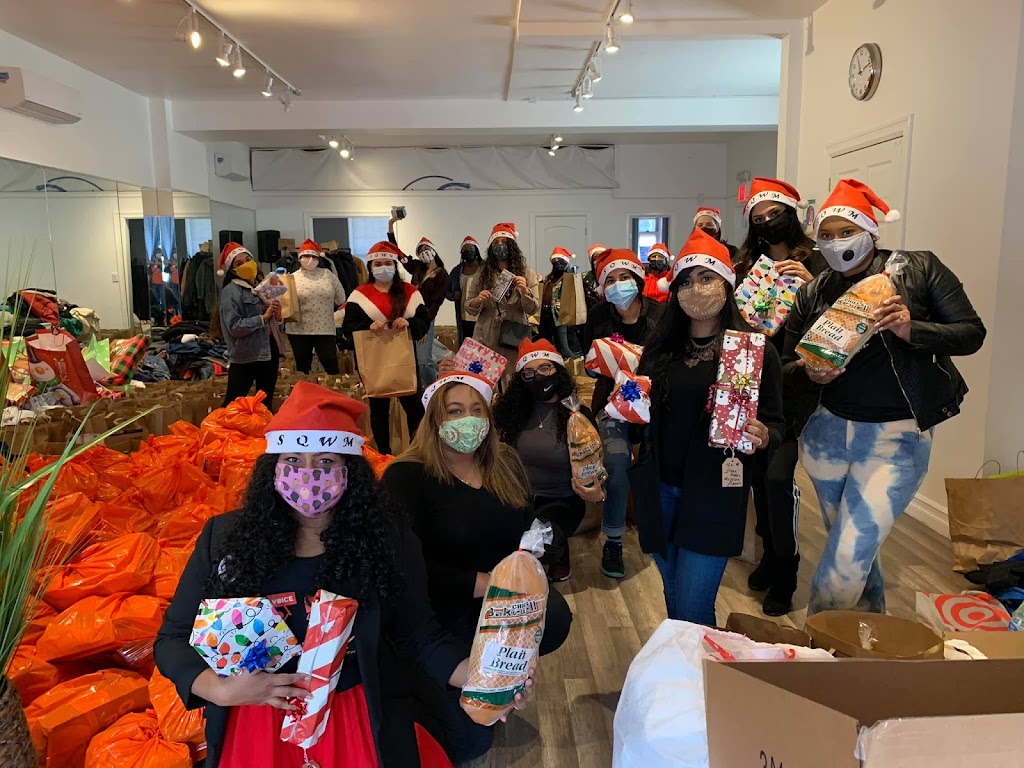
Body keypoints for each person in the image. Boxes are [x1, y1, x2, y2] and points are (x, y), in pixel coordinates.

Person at [154, 382, 481, 768]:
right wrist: (217, 689)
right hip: (254, 723)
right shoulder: (225, 538)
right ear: (272, 467)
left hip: (356, 717)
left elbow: (419, 634)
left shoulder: (386, 536)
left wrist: (484, 677)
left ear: (350, 470)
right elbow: (173, 639)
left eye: (326, 461)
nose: (308, 474)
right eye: (293, 459)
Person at [785, 179, 985, 615]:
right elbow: (786, 362)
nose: (836, 242)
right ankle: (866, 634)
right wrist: (809, 372)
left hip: (896, 437)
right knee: (854, 548)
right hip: (825, 433)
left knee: (846, 556)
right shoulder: (814, 290)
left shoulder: (919, 268)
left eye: (846, 231)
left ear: (870, 231)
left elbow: (971, 333)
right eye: (826, 235)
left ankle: (814, 646)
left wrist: (913, 330)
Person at [383, 370, 573, 763]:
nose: (467, 420)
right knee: (469, 742)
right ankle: (430, 691)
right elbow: (405, 567)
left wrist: (544, 541)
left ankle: (498, 675)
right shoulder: (407, 475)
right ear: (435, 420)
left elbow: (525, 528)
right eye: (454, 411)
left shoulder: (505, 463)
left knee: (555, 616)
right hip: (438, 607)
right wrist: (484, 583)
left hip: (497, 604)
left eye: (476, 410)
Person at [633, 228, 784, 625]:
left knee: (694, 605)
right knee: (672, 595)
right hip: (660, 487)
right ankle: (683, 663)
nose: (695, 288)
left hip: (716, 492)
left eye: (706, 277)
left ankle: (700, 666)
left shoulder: (752, 351)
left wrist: (764, 435)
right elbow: (639, 414)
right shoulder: (660, 349)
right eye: (685, 281)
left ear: (727, 284)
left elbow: (776, 421)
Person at [735, 178, 830, 616]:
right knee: (757, 478)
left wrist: (813, 287)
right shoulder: (745, 267)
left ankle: (788, 565)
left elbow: (842, 322)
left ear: (792, 214)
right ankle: (770, 554)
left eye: (775, 214)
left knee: (777, 478)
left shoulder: (820, 263)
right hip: (750, 381)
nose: (769, 222)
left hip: (795, 389)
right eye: (759, 218)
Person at [581, 248, 665, 579]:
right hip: (611, 404)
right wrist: (602, 362)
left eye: (625, 277)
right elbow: (589, 364)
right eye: (611, 280)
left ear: (638, 279)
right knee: (616, 463)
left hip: (656, 403)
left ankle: (659, 528)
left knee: (658, 463)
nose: (619, 285)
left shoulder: (661, 315)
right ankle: (613, 540)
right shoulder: (599, 316)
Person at [493, 338, 605, 582]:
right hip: (519, 496)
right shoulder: (512, 412)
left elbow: (595, 460)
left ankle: (558, 551)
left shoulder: (576, 414)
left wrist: (598, 493)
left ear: (558, 370)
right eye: (529, 373)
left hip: (562, 499)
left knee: (541, 543)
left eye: (545, 368)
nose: (539, 377)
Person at [342, 240, 430, 456]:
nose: (383, 268)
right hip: (373, 359)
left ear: (395, 265)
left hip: (404, 358)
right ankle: (384, 454)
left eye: (388, 263)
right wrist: (367, 326)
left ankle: (417, 450)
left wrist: (409, 323)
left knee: (414, 407)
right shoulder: (359, 295)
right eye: (378, 264)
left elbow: (423, 320)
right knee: (379, 410)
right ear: (370, 267)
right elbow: (348, 327)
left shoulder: (410, 293)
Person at [464, 223, 540, 387]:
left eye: (504, 242)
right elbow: (469, 305)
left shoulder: (527, 273)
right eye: (496, 243)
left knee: (513, 379)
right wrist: (479, 299)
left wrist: (525, 291)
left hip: (515, 332)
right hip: (487, 332)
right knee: (484, 380)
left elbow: (533, 308)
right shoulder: (482, 272)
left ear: (511, 245)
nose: (500, 246)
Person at [217, 242, 281, 410]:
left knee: (265, 404)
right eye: (239, 263)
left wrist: (277, 315)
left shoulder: (262, 286)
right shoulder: (231, 291)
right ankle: (221, 428)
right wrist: (262, 318)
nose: (246, 264)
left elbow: (273, 321)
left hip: (269, 350)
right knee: (233, 404)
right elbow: (234, 327)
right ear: (232, 270)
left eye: (248, 259)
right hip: (246, 354)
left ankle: (262, 427)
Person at [286, 239, 347, 376]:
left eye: (313, 256)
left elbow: (341, 298)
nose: (310, 260)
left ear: (319, 258)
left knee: (331, 365)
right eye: (306, 256)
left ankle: (334, 388)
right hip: (298, 330)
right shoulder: (291, 278)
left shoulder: (328, 275)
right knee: (302, 368)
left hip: (325, 328)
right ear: (299, 258)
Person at [538, 247, 584, 359]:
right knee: (546, 340)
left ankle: (573, 361)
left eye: (560, 261)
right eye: (555, 261)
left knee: (563, 345)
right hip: (545, 312)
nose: (558, 263)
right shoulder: (549, 278)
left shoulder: (569, 278)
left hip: (560, 314)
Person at [446, 236, 482, 345]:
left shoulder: (485, 269)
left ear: (476, 250)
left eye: (471, 248)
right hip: (463, 316)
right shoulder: (456, 271)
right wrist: (453, 295)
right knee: (466, 346)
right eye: (465, 249)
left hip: (482, 315)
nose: (468, 251)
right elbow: (445, 291)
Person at [582, 243, 606, 309]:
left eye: (601, 256)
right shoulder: (583, 278)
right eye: (596, 257)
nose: (599, 259)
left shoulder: (612, 276)